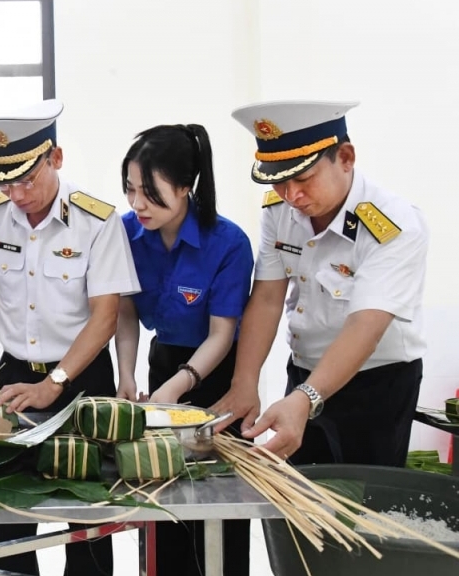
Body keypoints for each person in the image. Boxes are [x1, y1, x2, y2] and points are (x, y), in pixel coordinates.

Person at [0, 99, 140, 576]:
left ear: (55, 158)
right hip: (15, 378)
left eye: (26, 180)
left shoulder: (97, 221)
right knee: (12, 509)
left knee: (87, 513)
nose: (15, 194)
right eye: (3, 182)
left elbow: (106, 315)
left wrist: (55, 382)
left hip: (81, 381)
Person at [212, 101, 428, 467]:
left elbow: (366, 326)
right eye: (279, 181)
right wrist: (245, 381)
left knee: (363, 508)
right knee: (300, 499)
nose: (291, 195)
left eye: (303, 179)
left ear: (345, 157)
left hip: (376, 384)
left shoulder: (393, 225)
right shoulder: (280, 211)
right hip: (304, 374)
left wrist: (305, 398)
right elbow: (266, 297)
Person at [114, 124, 254, 576]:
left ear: (186, 186)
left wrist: (175, 390)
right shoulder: (126, 233)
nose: (138, 204)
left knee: (218, 501)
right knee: (162, 496)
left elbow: (221, 334)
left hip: (216, 377)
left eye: (151, 193)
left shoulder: (228, 243)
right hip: (162, 366)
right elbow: (125, 312)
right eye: (131, 190)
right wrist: (128, 376)